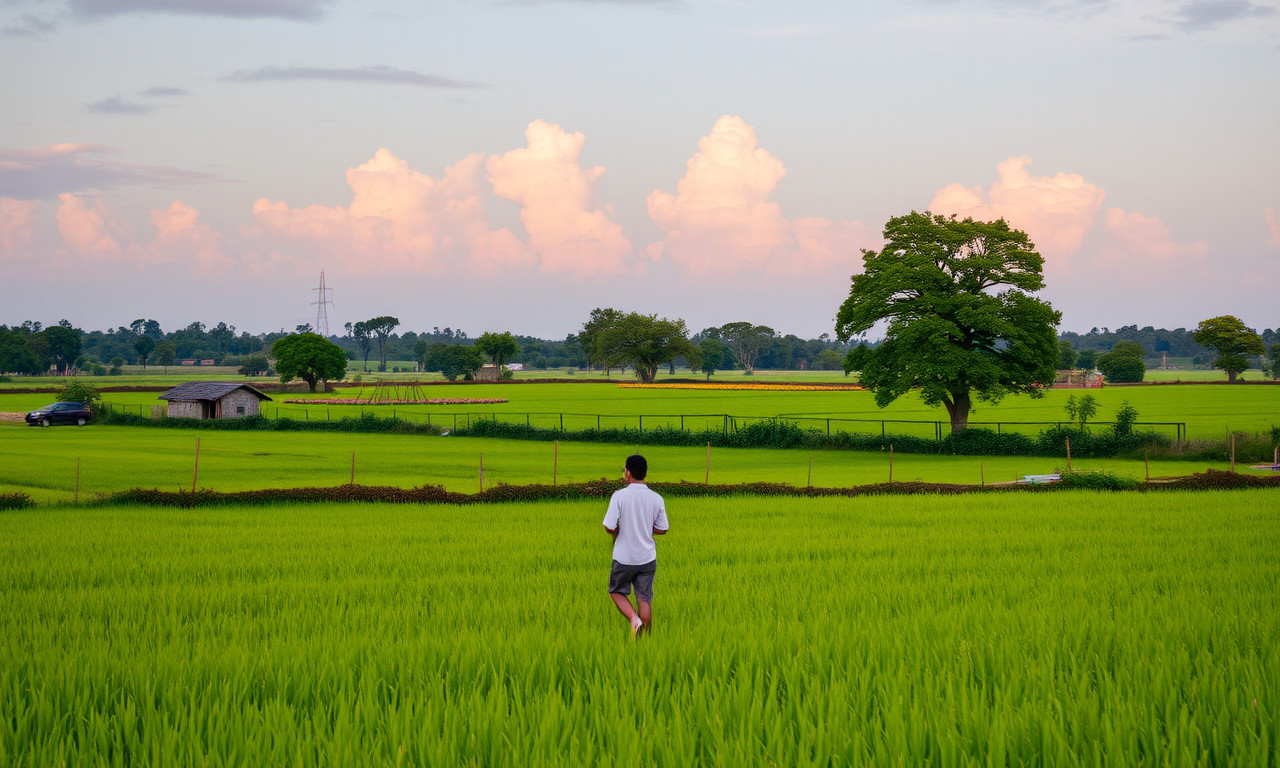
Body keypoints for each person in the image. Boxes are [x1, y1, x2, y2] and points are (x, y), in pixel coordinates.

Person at [603, 454, 668, 637]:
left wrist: (621, 528)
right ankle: (646, 639)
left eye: (624, 470)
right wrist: (646, 527)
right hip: (647, 558)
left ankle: (634, 620)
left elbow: (609, 527)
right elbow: (663, 529)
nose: (624, 473)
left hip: (624, 557)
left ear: (629, 473)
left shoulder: (619, 496)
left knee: (616, 591)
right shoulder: (656, 498)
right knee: (644, 598)